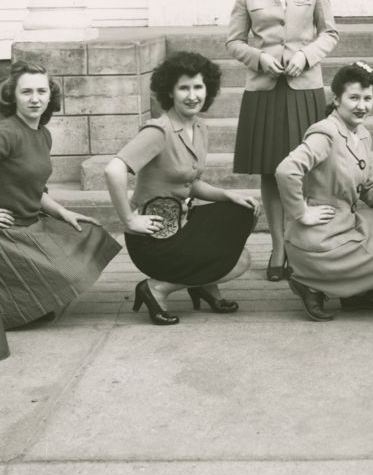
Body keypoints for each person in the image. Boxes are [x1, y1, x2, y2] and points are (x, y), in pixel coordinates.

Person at [0, 61, 121, 330]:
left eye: (42, 92)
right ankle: (21, 303)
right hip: (5, 234)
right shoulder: (6, 133)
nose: (35, 99)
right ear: (12, 96)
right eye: (26, 92)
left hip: (31, 224)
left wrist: (62, 212)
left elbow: (33, 189)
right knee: (67, 274)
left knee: (89, 234)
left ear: (50, 95)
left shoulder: (42, 134)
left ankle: (36, 299)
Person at [104, 51, 261, 326]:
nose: (192, 95)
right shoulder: (158, 132)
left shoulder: (198, 126)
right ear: (170, 92)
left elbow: (188, 183)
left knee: (243, 211)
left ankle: (203, 283)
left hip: (182, 223)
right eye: (184, 88)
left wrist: (228, 195)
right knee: (240, 262)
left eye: (198, 87)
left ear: (207, 89)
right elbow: (113, 170)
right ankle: (156, 288)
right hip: (154, 238)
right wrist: (128, 220)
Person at [227, 0, 339, 282]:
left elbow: (330, 32)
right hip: (264, 92)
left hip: (304, 88)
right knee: (272, 173)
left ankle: (301, 244)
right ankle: (278, 247)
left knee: (305, 169)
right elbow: (234, 41)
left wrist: (306, 56)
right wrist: (260, 59)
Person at [275, 62, 373, 321]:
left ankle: (356, 294)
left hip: (344, 226)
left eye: (368, 98)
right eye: (353, 97)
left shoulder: (362, 134)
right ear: (336, 99)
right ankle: (309, 284)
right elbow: (286, 170)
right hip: (319, 238)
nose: (362, 106)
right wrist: (301, 213)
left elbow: (370, 188)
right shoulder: (325, 133)